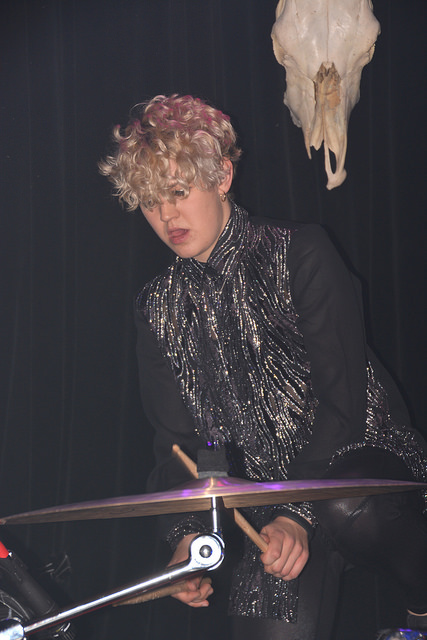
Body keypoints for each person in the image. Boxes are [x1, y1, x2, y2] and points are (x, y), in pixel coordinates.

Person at [100, 94, 427, 639]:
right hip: (270, 513)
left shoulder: (299, 251)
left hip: (359, 468)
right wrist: (188, 539)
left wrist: (298, 510)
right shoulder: (156, 307)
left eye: (178, 192)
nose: (166, 216)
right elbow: (179, 443)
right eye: (150, 201)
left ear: (222, 177)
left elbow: (343, 403)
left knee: (350, 505)